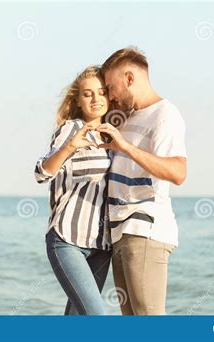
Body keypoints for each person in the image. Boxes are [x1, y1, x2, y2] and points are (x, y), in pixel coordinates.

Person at [95, 47, 187, 315]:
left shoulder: (165, 114)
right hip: (120, 231)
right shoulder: (127, 117)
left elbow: (178, 172)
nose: (110, 95)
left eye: (111, 87)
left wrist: (125, 147)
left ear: (130, 78)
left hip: (145, 229)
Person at [34, 65, 112, 315]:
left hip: (102, 246)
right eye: (88, 94)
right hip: (67, 239)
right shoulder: (70, 130)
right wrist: (70, 147)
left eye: (101, 92)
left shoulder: (114, 135)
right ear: (78, 100)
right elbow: (41, 172)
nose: (96, 99)